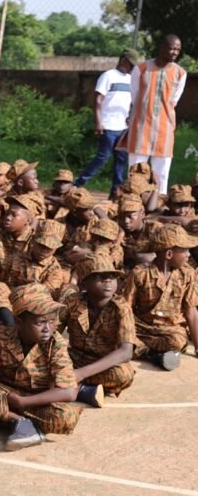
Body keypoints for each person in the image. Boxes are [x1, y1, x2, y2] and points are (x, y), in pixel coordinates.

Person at [0, 283, 81, 451]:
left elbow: (68, 392)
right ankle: (16, 421)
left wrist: (23, 402)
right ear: (19, 322)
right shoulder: (0, 336)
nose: (47, 328)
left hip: (35, 402)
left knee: (66, 417)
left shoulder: (56, 344)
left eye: (51, 321)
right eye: (40, 322)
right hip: (4, 394)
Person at [60, 254, 136, 407]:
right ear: (85, 283)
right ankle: (82, 390)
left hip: (104, 362)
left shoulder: (121, 308)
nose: (107, 281)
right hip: (74, 358)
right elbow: (52, 332)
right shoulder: (73, 301)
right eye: (100, 276)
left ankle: (67, 385)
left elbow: (125, 352)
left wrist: (80, 374)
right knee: (43, 363)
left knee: (124, 375)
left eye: (112, 276)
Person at [122, 224, 198, 371]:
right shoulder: (140, 273)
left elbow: (191, 312)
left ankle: (143, 350)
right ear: (169, 254)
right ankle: (153, 355)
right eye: (185, 250)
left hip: (169, 330)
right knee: (119, 336)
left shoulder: (188, 274)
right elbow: (126, 308)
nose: (189, 254)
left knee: (177, 341)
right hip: (141, 326)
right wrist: (125, 331)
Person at [122, 35, 187, 195]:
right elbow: (135, 96)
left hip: (165, 128)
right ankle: (133, 203)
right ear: (161, 47)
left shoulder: (180, 73)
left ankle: (159, 203)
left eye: (177, 49)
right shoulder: (141, 69)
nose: (174, 52)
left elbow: (174, 101)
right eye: (172, 48)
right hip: (141, 126)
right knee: (136, 170)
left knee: (162, 172)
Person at [74, 50, 140, 195]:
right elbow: (98, 100)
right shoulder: (108, 76)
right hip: (108, 125)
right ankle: (78, 184)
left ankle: (115, 191)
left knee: (121, 160)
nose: (132, 67)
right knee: (103, 157)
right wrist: (98, 122)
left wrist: (130, 116)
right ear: (123, 60)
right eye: (130, 64)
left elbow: (131, 102)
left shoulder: (130, 79)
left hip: (123, 127)